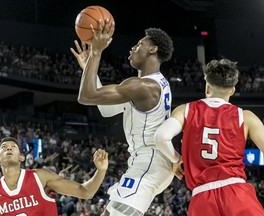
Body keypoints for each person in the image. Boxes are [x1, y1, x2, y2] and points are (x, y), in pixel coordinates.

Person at [71, 19, 181, 216]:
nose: (133, 47)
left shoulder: (143, 87)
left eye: (139, 44)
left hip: (150, 162)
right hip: (148, 163)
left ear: (153, 50)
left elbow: (86, 96)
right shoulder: (145, 86)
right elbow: (105, 109)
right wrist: (88, 66)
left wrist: (96, 53)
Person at [154, 58, 264, 215]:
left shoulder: (185, 110)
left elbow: (160, 137)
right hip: (237, 193)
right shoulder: (245, 117)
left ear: (207, 87)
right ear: (232, 90)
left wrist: (176, 159)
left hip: (202, 198)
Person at [0, 136, 108, 216]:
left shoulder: (40, 177)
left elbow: (85, 192)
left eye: (13, 147)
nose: (8, 149)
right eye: (4, 147)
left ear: (21, 157)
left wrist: (101, 170)